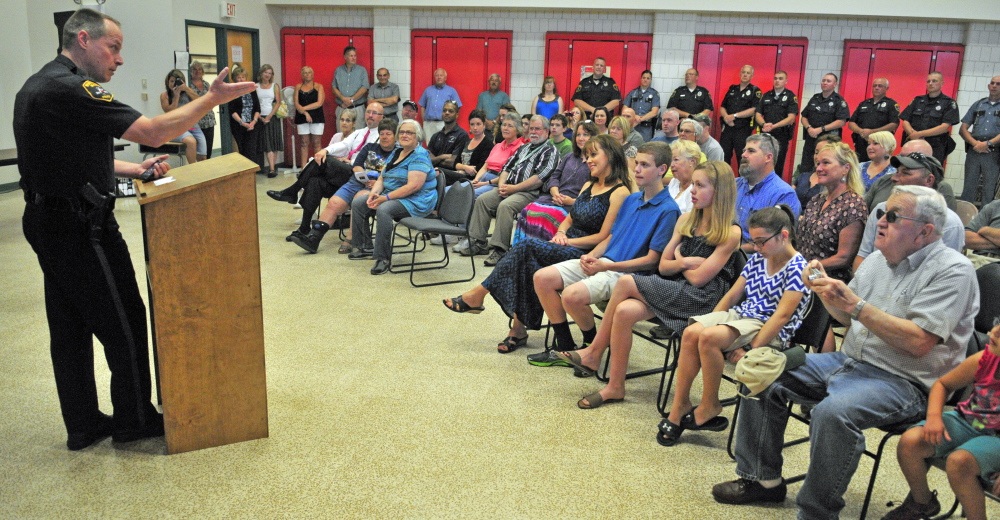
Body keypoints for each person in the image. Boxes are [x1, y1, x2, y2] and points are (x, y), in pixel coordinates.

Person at [14, 8, 256, 450]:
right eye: (113, 48)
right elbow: (152, 130)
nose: (120, 59)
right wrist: (211, 99)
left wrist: (135, 168)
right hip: (80, 226)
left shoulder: (40, 83)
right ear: (83, 39)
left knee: (70, 326)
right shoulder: (72, 88)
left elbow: (74, 157)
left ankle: (83, 423)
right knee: (124, 318)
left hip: (49, 219)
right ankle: (134, 419)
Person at [712, 186, 978, 520]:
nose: (880, 221)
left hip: (905, 381)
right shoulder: (879, 260)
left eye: (892, 216)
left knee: (833, 413)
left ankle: (816, 513)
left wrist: (855, 305)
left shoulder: (953, 270)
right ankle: (762, 481)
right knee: (759, 371)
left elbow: (919, 342)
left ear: (924, 231)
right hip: (849, 362)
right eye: (880, 213)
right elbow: (846, 317)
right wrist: (826, 293)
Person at [554, 161, 741, 408]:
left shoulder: (730, 232)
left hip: (703, 299)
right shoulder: (686, 219)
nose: (693, 191)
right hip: (674, 288)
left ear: (720, 191)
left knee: (626, 281)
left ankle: (594, 353)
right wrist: (686, 262)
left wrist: (678, 261)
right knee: (624, 310)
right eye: (693, 184)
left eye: (700, 185)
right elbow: (663, 267)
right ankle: (615, 386)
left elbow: (699, 279)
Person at [442, 134, 633, 354]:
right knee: (528, 264)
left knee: (526, 248)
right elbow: (570, 218)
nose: (588, 160)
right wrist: (560, 232)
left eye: (593, 155)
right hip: (566, 242)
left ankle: (481, 296)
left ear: (611, 155)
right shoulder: (589, 184)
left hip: (587, 251)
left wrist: (567, 240)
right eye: (587, 155)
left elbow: (604, 237)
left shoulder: (620, 192)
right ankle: (527, 331)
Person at [659, 204, 810, 440]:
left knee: (708, 338)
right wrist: (710, 321)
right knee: (692, 332)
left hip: (768, 328)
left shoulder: (800, 268)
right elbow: (732, 296)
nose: (756, 248)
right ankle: (680, 404)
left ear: (783, 235)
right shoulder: (760, 258)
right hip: (743, 316)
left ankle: (710, 404)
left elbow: (781, 316)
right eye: (754, 242)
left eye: (761, 242)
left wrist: (750, 347)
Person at [526, 140, 680, 367]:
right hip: (604, 262)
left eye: (644, 165)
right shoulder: (632, 199)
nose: (637, 169)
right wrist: (592, 257)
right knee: (542, 278)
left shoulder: (668, 210)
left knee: (571, 296)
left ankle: (590, 348)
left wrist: (606, 266)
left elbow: (651, 261)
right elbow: (610, 237)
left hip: (627, 274)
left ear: (662, 170)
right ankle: (567, 344)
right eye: (636, 163)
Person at [884, 322, 1000, 520]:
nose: (995, 331)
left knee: (959, 462)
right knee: (910, 442)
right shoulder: (985, 357)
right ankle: (922, 502)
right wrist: (934, 418)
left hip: (996, 438)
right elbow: (943, 385)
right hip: (967, 421)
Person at [266, 102, 384, 238]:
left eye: (375, 113)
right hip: (345, 176)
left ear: (382, 116)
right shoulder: (359, 133)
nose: (370, 115)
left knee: (326, 160)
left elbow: (375, 162)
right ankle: (304, 227)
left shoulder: (382, 136)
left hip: (359, 176)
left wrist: (351, 162)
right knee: (315, 181)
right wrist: (325, 150)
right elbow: (343, 145)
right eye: (368, 112)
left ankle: (293, 191)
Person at [460, 115, 560, 266]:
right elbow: (506, 168)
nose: (533, 132)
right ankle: (479, 242)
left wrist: (514, 188)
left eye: (537, 129)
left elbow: (538, 179)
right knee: (482, 200)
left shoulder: (550, 151)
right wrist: (502, 185)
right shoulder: (524, 148)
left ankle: (500, 249)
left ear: (546, 131)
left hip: (530, 192)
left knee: (505, 206)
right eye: (531, 128)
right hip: (509, 187)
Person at [288, 119, 399, 254]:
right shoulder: (370, 147)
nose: (384, 137)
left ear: (395, 136)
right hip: (357, 182)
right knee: (334, 203)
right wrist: (362, 176)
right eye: (382, 134)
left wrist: (378, 183)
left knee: (358, 200)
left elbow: (397, 175)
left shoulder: (399, 153)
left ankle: (350, 239)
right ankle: (313, 238)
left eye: (388, 134)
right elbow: (357, 165)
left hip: (379, 188)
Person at [348, 119, 438, 275]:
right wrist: (374, 193)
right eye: (402, 132)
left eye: (409, 132)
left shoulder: (420, 155)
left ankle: (382, 258)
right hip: (394, 195)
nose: (404, 135)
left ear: (417, 136)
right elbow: (383, 177)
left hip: (416, 200)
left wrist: (385, 198)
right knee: (359, 203)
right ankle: (364, 246)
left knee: (384, 209)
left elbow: (413, 186)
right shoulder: (397, 152)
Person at [855, 145, 966, 271]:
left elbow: (942, 272)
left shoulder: (949, 223)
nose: (894, 178)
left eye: (905, 173)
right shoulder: (881, 209)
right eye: (897, 172)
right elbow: (863, 256)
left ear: (929, 180)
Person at [796, 141, 867, 302]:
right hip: (804, 278)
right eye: (817, 163)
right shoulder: (817, 200)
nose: (819, 168)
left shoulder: (853, 204)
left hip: (829, 287)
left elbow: (844, 258)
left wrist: (806, 268)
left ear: (846, 168)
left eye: (826, 163)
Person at [511, 121, 599, 245]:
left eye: (585, 135)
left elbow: (596, 192)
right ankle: (521, 249)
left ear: (594, 138)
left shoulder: (596, 162)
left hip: (576, 203)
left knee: (549, 216)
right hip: (555, 197)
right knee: (528, 210)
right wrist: (555, 193)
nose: (581, 138)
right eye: (578, 135)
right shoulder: (569, 157)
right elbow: (554, 177)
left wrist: (570, 201)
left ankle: (543, 250)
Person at [736, 134, 802, 252]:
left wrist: (731, 249)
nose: (743, 155)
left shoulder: (784, 194)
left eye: (751, 151)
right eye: (744, 150)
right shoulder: (734, 185)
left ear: (768, 157)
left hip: (758, 258)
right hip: (725, 252)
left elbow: (777, 241)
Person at [866, 139, 959, 212]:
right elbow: (863, 212)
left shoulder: (941, 188)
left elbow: (944, 224)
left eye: (912, 157)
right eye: (902, 156)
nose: (903, 161)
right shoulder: (884, 180)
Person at [900, 72, 960, 163]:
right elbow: (905, 121)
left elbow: (944, 127)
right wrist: (913, 135)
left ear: (942, 84)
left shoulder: (948, 103)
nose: (931, 83)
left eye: (934, 81)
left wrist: (919, 134)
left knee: (931, 170)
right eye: (928, 81)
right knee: (909, 167)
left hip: (935, 146)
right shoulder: (918, 100)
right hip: (913, 143)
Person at [958, 75, 1000, 207]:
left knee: (989, 188)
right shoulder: (978, 104)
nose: (994, 86)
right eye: (992, 83)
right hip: (974, 150)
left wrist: (988, 143)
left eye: (998, 84)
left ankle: (985, 217)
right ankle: (965, 214)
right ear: (988, 86)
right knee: (968, 186)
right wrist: (975, 143)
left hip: (993, 152)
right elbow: (963, 129)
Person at [799, 73, 850, 173]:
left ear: (835, 84)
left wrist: (820, 129)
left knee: (825, 165)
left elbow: (841, 121)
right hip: (811, 138)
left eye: (828, 81)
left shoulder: (839, 101)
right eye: (823, 80)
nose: (825, 83)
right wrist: (809, 128)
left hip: (828, 140)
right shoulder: (815, 98)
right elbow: (804, 117)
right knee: (806, 165)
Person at [755, 71, 799, 175]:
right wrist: (764, 124)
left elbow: (791, 118)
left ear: (786, 81)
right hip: (766, 135)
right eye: (775, 78)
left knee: (778, 164)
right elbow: (758, 114)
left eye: (780, 78)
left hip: (781, 135)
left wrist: (774, 126)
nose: (777, 81)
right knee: (763, 162)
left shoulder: (790, 96)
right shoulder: (766, 95)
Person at [847, 77, 899, 163]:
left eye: (880, 86)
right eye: (875, 86)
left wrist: (872, 132)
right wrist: (861, 131)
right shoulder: (864, 103)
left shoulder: (891, 104)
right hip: (861, 141)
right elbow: (851, 123)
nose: (877, 88)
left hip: (880, 143)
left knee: (878, 164)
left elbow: (894, 124)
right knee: (860, 165)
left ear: (887, 88)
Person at [438, 109, 494, 186]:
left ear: (484, 125)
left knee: (438, 172)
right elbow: (455, 164)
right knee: (436, 172)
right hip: (459, 173)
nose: (475, 127)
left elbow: (479, 168)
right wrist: (465, 167)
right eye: (472, 124)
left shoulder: (488, 144)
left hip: (471, 178)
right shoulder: (466, 141)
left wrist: (462, 169)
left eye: (478, 124)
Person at [719, 65, 762, 167]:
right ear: (740, 74)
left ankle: (743, 177)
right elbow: (722, 106)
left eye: (748, 73)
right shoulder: (732, 89)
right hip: (728, 128)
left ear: (752, 76)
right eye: (743, 72)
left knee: (742, 157)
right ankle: (725, 177)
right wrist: (726, 117)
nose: (745, 75)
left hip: (743, 130)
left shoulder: (755, 91)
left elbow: (754, 109)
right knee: (724, 155)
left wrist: (734, 116)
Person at [158, 69, 200, 165]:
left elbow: (200, 102)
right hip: (174, 128)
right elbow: (169, 111)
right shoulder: (164, 95)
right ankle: (193, 168)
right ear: (167, 82)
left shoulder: (187, 92)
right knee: (191, 142)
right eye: (171, 81)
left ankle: (199, 168)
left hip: (191, 126)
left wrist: (186, 89)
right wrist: (176, 96)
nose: (174, 84)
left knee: (203, 153)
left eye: (176, 81)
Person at [228, 65, 263, 168]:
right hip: (238, 125)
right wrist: (242, 123)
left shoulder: (252, 90)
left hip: (253, 125)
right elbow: (232, 110)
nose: (241, 79)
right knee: (242, 150)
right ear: (234, 79)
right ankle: (244, 171)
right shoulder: (232, 91)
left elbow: (257, 108)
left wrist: (254, 122)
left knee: (251, 150)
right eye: (238, 77)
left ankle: (252, 172)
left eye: (243, 77)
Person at [794, 134, 842, 209]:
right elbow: (788, 199)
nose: (818, 157)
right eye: (816, 152)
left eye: (823, 152)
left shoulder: (834, 182)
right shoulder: (803, 176)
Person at [294, 66, 326, 164]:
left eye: (309, 72)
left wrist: (303, 108)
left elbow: (319, 103)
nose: (307, 74)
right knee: (304, 143)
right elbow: (296, 104)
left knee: (316, 143)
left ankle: (318, 167)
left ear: (313, 74)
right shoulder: (298, 87)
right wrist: (305, 113)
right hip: (302, 117)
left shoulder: (319, 86)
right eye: (305, 73)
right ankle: (303, 167)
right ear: (302, 75)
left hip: (317, 117)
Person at [256, 63, 283, 177]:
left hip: (272, 117)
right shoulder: (256, 86)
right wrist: (260, 117)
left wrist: (269, 116)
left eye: (270, 73)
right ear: (261, 73)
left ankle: (272, 168)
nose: (267, 75)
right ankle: (271, 168)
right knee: (266, 144)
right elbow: (254, 103)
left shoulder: (275, 86)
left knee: (273, 143)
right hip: (260, 117)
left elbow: (278, 102)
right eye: (265, 72)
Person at [419, 68, 462, 138]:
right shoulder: (428, 90)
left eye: (441, 75)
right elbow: (422, 106)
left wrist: (452, 121)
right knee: (430, 143)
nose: (439, 77)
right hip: (429, 124)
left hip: (444, 123)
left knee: (444, 143)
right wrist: (424, 121)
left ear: (445, 78)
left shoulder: (451, 91)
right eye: (437, 75)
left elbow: (457, 107)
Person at [331, 45, 368, 125]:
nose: (354, 58)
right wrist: (343, 99)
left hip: (357, 108)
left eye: (355, 56)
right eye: (351, 56)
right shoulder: (338, 70)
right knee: (342, 131)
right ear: (345, 57)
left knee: (358, 132)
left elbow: (364, 88)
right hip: (342, 107)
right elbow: (334, 88)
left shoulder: (362, 70)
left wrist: (351, 100)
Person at [426, 100, 468, 169]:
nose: (447, 113)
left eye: (450, 111)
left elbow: (452, 162)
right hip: (433, 172)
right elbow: (427, 160)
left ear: (457, 115)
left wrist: (435, 159)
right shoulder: (435, 136)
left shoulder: (462, 135)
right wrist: (442, 157)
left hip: (451, 173)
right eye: (444, 110)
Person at [188, 61, 217, 159]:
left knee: (208, 149)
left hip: (209, 120)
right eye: (194, 69)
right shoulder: (188, 85)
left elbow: (212, 99)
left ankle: (208, 167)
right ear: (190, 71)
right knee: (199, 150)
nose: (197, 71)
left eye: (199, 69)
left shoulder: (206, 84)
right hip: (196, 123)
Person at [623, 70, 660, 142]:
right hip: (632, 126)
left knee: (645, 147)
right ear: (641, 79)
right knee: (629, 145)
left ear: (651, 80)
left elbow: (654, 112)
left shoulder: (654, 94)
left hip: (646, 128)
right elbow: (624, 109)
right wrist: (634, 116)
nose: (645, 80)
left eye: (648, 78)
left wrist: (640, 119)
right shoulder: (633, 92)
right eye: (644, 78)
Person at [666, 139, 701, 213]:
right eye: (671, 160)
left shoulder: (697, 189)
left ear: (692, 161)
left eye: (676, 160)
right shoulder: (674, 182)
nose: (671, 165)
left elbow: (691, 218)